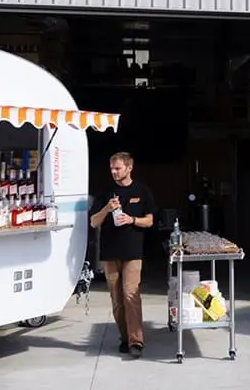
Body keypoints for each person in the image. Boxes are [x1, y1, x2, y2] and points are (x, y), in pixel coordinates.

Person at [89, 152, 156, 358]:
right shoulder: (106, 192)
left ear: (129, 167)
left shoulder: (142, 190)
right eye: (111, 168)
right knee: (117, 300)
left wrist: (132, 220)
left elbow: (150, 220)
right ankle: (125, 338)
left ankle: (136, 341)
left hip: (133, 252)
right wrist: (107, 209)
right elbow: (93, 221)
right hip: (110, 254)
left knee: (130, 295)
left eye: (117, 168)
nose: (114, 172)